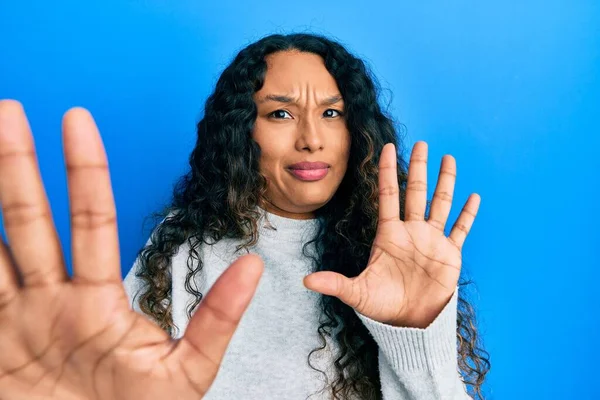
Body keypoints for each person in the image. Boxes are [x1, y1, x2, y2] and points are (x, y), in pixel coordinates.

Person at [0, 33, 490, 399]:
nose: (311, 139)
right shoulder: (183, 246)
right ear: (241, 133)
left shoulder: (398, 256)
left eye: (331, 113)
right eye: (280, 114)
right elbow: (103, 374)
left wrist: (416, 332)